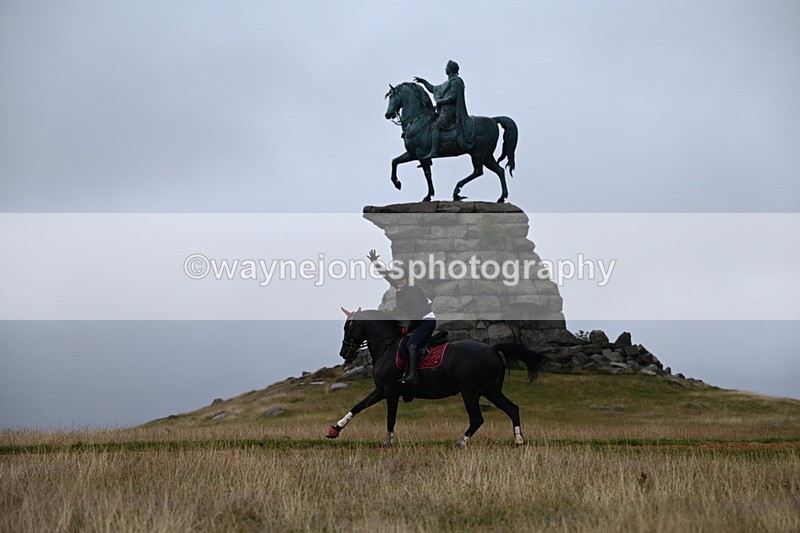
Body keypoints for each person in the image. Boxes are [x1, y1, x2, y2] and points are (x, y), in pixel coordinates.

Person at [368, 249, 436, 385]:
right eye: (397, 279)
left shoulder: (413, 291)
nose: (399, 281)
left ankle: (413, 375)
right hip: (419, 321)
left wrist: (408, 329)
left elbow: (417, 314)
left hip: (426, 321)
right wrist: (375, 262)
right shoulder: (401, 285)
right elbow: (386, 275)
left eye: (401, 279)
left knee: (411, 344)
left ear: (407, 278)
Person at [414, 59, 474, 159]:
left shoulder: (456, 81)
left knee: (436, 125)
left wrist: (441, 101)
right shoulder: (448, 82)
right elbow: (434, 89)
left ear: (450, 69)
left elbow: (453, 97)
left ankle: (434, 151)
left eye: (446, 67)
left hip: (451, 112)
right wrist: (424, 82)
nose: (445, 68)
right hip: (444, 111)